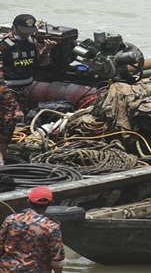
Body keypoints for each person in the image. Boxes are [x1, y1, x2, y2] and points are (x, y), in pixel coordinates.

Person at [0, 14, 56, 165]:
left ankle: (4, 153)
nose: (26, 34)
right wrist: (13, 105)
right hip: (6, 89)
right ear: (14, 27)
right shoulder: (4, 44)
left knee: (12, 123)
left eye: (29, 30)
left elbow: (39, 63)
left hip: (24, 87)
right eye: (23, 30)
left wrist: (46, 50)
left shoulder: (31, 41)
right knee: (5, 121)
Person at [0, 186, 65, 272]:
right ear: (51, 202)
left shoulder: (11, 219)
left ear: (28, 201)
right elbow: (57, 259)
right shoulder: (51, 226)